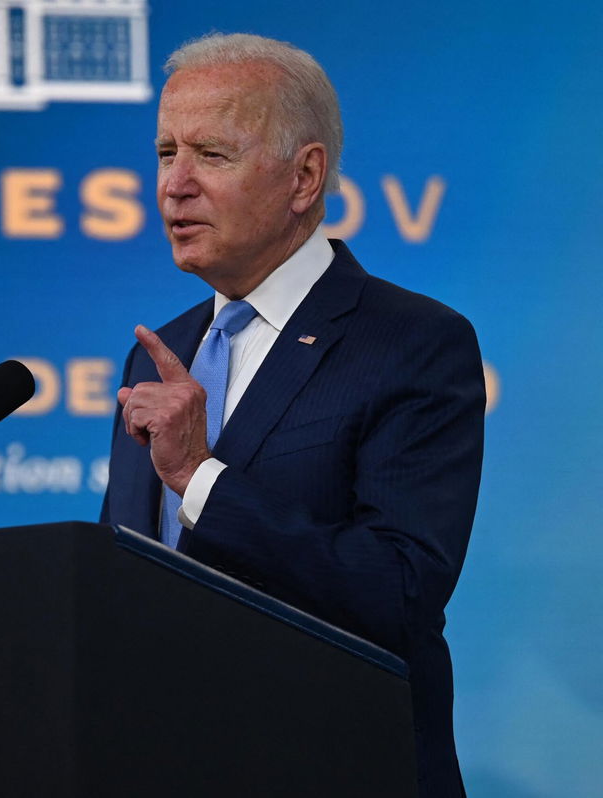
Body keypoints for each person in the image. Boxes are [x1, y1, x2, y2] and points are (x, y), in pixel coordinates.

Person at [100, 33, 484, 798]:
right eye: (165, 152)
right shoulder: (160, 354)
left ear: (305, 176)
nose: (174, 185)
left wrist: (200, 478)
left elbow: (399, 589)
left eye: (210, 154)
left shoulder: (411, 342)